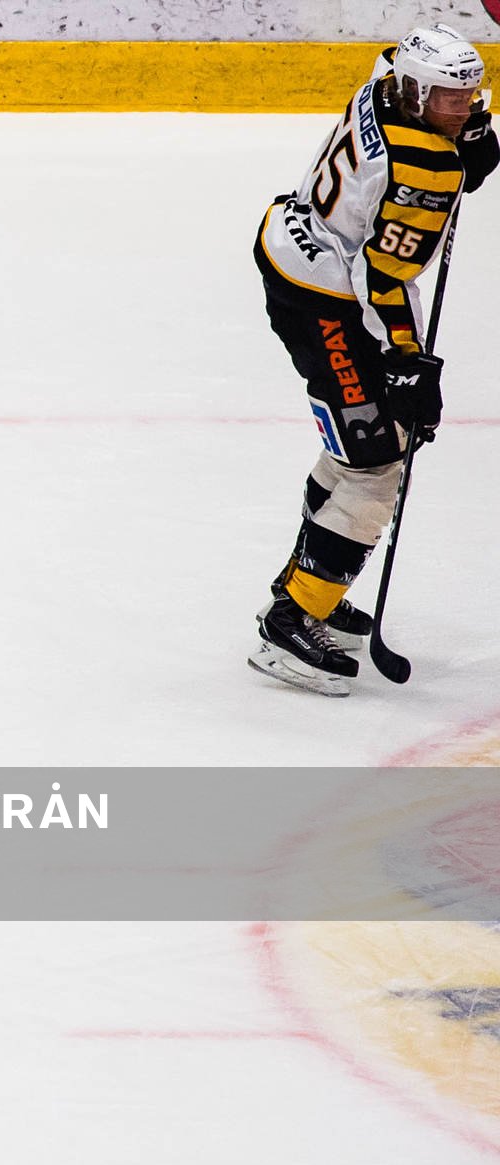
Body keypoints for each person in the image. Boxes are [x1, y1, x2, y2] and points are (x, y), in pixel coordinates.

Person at [250, 23, 496, 696]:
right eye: (450, 98)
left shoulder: (382, 83)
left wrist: (465, 131)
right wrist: (407, 363)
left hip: (290, 245)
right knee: (375, 460)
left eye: (470, 95)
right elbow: (383, 280)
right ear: (417, 92)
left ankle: (307, 579)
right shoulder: (423, 166)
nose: (465, 107)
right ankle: (291, 622)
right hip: (324, 299)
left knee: (361, 442)